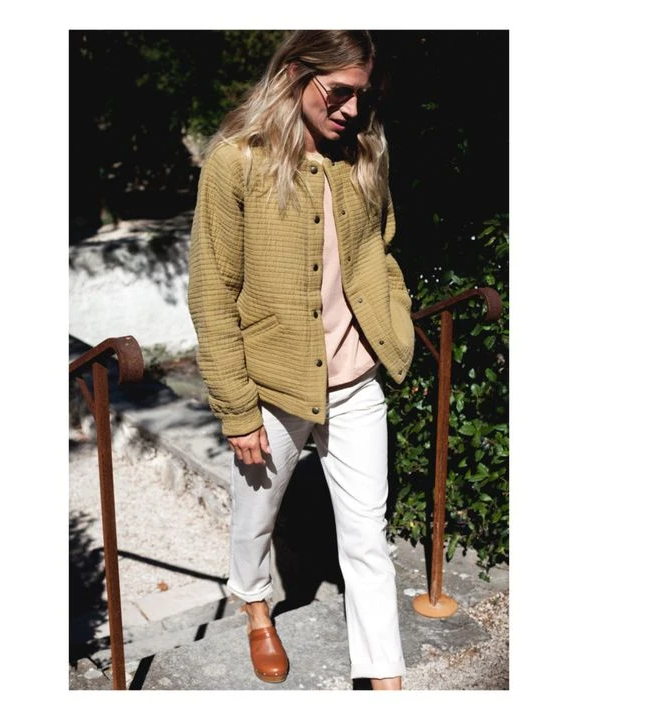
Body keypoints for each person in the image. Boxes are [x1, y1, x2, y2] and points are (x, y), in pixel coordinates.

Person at [188, 30, 414, 690]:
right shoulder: (236, 160)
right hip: (271, 388)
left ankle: (386, 682)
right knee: (254, 520)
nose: (352, 109)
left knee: (368, 537)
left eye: (362, 95)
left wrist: (393, 318)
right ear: (294, 74)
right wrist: (237, 409)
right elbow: (212, 290)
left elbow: (382, 250)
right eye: (338, 92)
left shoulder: (364, 152)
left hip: (356, 382)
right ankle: (257, 607)